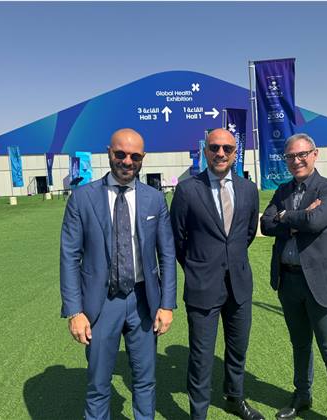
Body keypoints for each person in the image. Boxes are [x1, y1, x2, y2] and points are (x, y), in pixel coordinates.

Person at [60, 128, 177, 420]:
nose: (127, 161)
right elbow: (69, 256)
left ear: (143, 158)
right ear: (109, 153)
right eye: (121, 154)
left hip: (143, 302)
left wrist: (167, 305)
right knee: (98, 384)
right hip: (101, 304)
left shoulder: (154, 199)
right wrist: (75, 311)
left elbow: (167, 254)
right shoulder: (82, 198)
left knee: (145, 381)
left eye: (135, 156)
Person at [170, 128, 264, 420]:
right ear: (205, 151)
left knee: (237, 350)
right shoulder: (187, 190)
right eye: (214, 148)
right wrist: (198, 267)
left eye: (227, 148)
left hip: (239, 285)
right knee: (201, 357)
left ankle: (235, 399)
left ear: (235, 153)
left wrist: (229, 261)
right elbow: (177, 240)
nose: (220, 153)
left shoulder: (248, 189)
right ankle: (198, 414)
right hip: (202, 287)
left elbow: (247, 233)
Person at [260, 133, 327, 420]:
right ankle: (302, 395)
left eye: (302, 154)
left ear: (315, 154)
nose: (296, 160)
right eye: (290, 156)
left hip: (320, 283)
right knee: (300, 345)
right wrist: (295, 217)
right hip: (288, 281)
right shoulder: (282, 190)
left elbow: (316, 221)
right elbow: (266, 225)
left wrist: (285, 216)